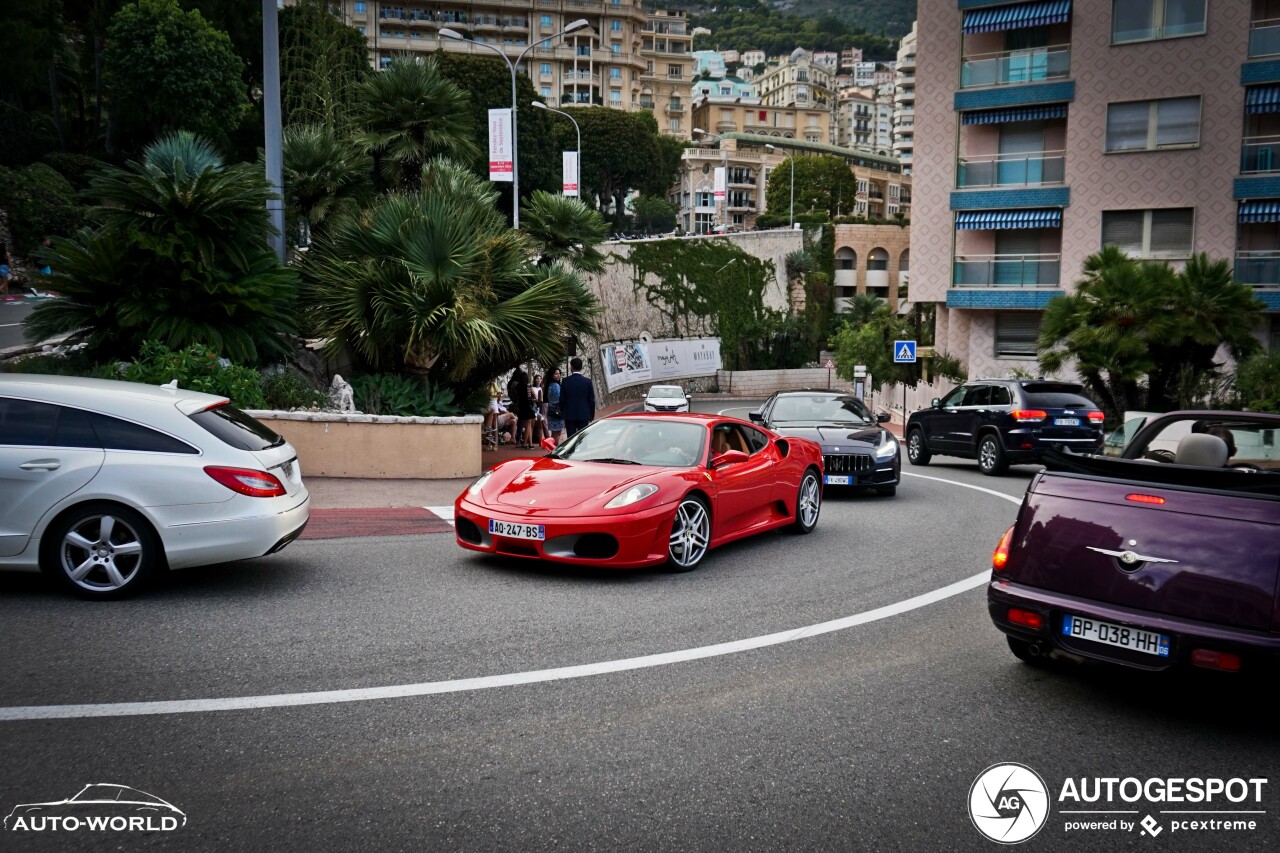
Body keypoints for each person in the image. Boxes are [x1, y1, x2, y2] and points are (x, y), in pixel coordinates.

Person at [559, 357, 596, 438]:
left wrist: (563, 412)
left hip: (569, 415)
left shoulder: (566, 381)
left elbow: (562, 399)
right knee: (582, 439)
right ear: (581, 367)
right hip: (584, 414)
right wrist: (591, 414)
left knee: (571, 439)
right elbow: (591, 400)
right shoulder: (588, 382)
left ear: (571, 367)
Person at [508, 367, 535, 448]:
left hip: (521, 406)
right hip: (528, 406)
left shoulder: (518, 386)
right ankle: (526, 443)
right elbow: (532, 396)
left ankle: (529, 443)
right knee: (528, 425)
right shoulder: (528, 386)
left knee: (526, 424)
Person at [545, 368, 565, 441]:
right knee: (557, 433)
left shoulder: (549, 385)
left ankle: (552, 449)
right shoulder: (555, 386)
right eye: (556, 374)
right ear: (552, 375)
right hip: (556, 411)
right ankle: (555, 449)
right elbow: (558, 399)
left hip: (551, 410)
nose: (558, 375)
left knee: (554, 433)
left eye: (559, 373)